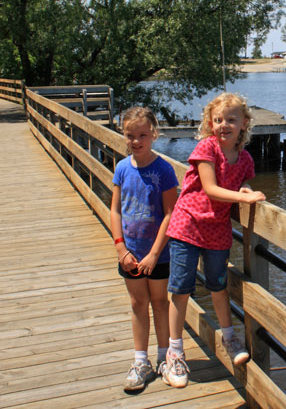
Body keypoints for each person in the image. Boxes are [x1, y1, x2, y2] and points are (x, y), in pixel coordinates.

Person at [161, 93, 265, 389]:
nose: (224, 125)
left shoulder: (244, 158)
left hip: (217, 230)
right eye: (218, 120)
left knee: (218, 287)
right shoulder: (206, 147)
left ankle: (230, 339)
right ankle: (175, 352)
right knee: (181, 289)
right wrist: (249, 196)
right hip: (188, 226)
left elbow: (239, 181)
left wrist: (245, 187)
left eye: (231, 119)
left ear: (244, 123)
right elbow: (211, 189)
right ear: (210, 123)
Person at [110, 106, 179, 392]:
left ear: (154, 134)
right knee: (138, 304)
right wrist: (120, 248)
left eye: (142, 135)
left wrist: (153, 254)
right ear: (123, 136)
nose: (136, 141)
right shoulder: (122, 168)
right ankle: (141, 361)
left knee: (160, 303)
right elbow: (115, 210)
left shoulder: (163, 169)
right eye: (130, 135)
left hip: (157, 254)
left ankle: (164, 357)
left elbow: (170, 213)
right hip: (130, 253)